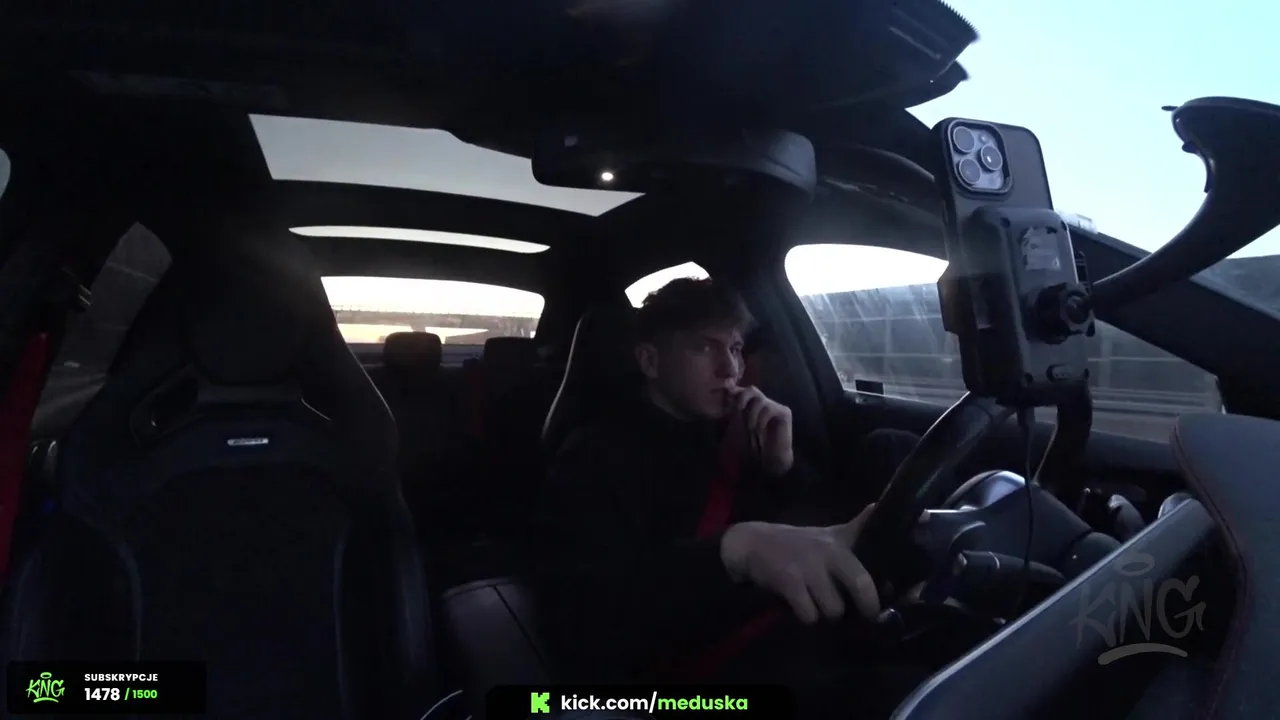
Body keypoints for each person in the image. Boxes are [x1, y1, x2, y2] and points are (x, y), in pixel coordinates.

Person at [534, 277, 925, 714]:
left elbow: (813, 528)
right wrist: (732, 552)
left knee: (890, 448)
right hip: (695, 678)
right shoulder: (593, 455)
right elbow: (590, 624)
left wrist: (783, 468)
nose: (729, 369)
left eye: (736, 348)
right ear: (650, 360)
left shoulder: (740, 431)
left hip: (796, 629)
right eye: (704, 347)